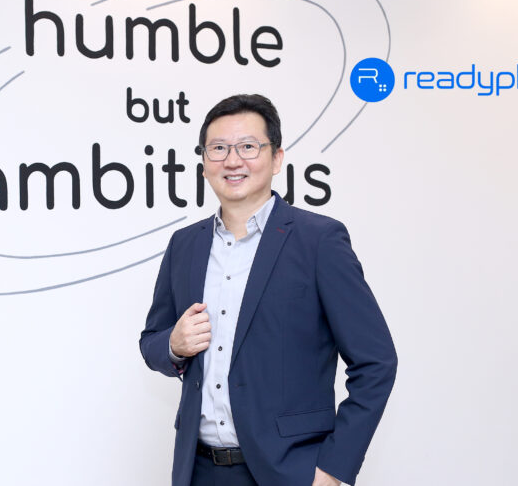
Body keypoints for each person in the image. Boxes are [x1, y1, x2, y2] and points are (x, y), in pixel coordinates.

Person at [139, 94, 397, 486]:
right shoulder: (185, 245)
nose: (232, 160)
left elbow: (376, 362)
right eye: (218, 148)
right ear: (204, 163)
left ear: (276, 159)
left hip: (291, 472)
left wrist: (333, 469)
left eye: (248, 146)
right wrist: (174, 344)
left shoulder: (319, 241)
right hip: (200, 471)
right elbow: (152, 342)